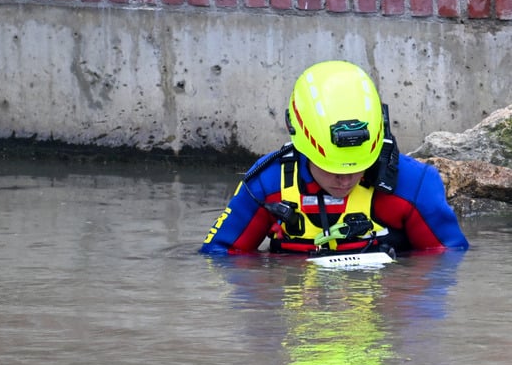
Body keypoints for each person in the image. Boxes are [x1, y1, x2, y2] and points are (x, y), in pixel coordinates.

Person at [200, 60, 469, 256]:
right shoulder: (267, 183)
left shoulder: (415, 185)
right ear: (302, 145)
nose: (344, 179)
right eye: (330, 167)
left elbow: (447, 260)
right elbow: (219, 255)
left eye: (358, 167)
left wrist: (397, 293)